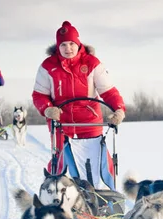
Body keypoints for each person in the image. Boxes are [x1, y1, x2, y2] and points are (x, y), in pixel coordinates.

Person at [32, 21, 126, 189]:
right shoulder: (48, 67)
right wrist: (47, 108)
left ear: (78, 43)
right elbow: (39, 95)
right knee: (59, 161)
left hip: (89, 121)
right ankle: (55, 193)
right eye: (63, 45)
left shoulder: (92, 63)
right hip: (61, 122)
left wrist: (118, 109)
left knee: (95, 161)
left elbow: (109, 91)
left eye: (71, 44)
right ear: (58, 46)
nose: (68, 48)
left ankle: (100, 194)